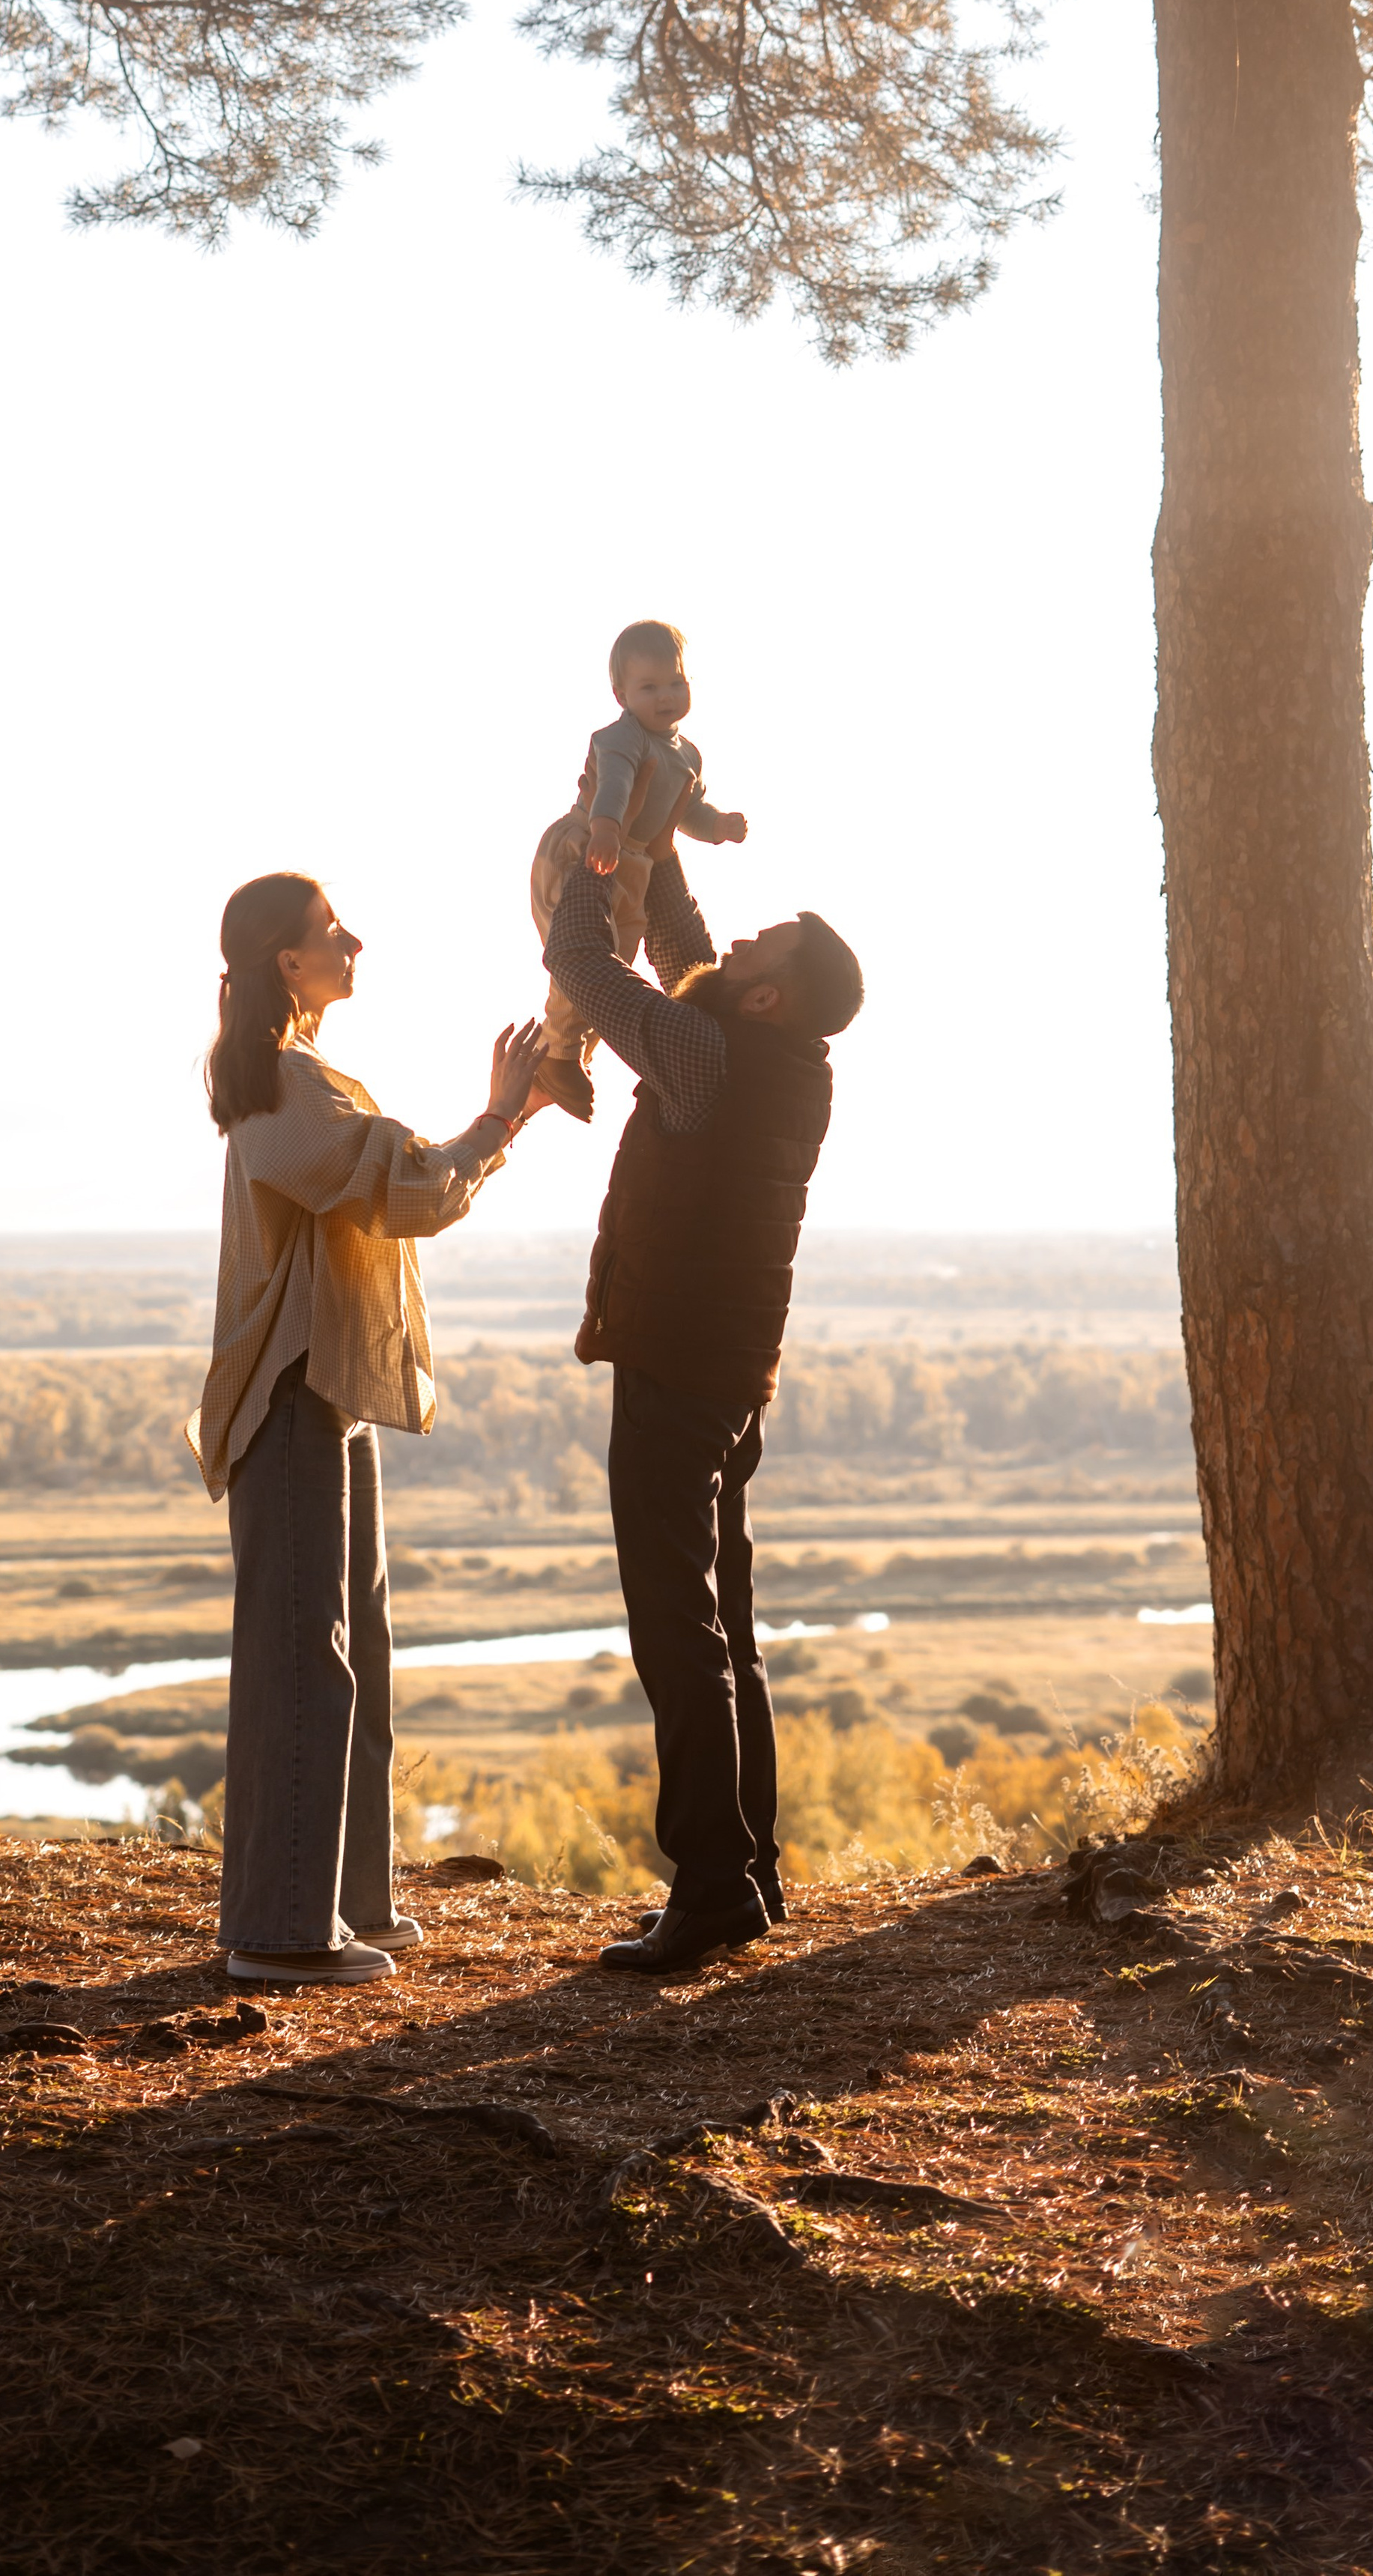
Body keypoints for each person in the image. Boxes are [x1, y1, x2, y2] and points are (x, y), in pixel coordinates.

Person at [189, 873, 548, 1986]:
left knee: (357, 1652)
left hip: (327, 1390)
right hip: (295, 1392)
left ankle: (349, 1905)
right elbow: (403, 1188)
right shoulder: (286, 1086)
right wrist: (501, 1120)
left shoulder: (299, 1075)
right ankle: (279, 1935)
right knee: (307, 1662)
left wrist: (501, 1123)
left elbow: (394, 1179)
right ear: (286, 964)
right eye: (329, 932)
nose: (354, 941)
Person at [543, 821, 863, 1976]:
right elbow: (680, 940)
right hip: (733, 1369)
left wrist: (590, 860)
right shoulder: (774, 1057)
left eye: (760, 945)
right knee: (725, 1626)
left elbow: (587, 965)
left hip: (678, 1365)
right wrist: (651, 826)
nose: (736, 937)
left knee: (675, 1628)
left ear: (769, 997)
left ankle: (711, 1887)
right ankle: (750, 1874)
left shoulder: (701, 1053)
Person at [529, 619, 748, 1125]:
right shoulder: (620, 738)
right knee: (581, 954)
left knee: (615, 967)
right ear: (621, 694)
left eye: (675, 682)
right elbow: (615, 785)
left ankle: (569, 1054)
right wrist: (606, 830)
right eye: (649, 687)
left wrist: (717, 827)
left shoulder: (686, 753)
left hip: (635, 867)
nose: (666, 696)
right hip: (586, 847)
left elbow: (688, 807)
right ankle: (559, 1057)